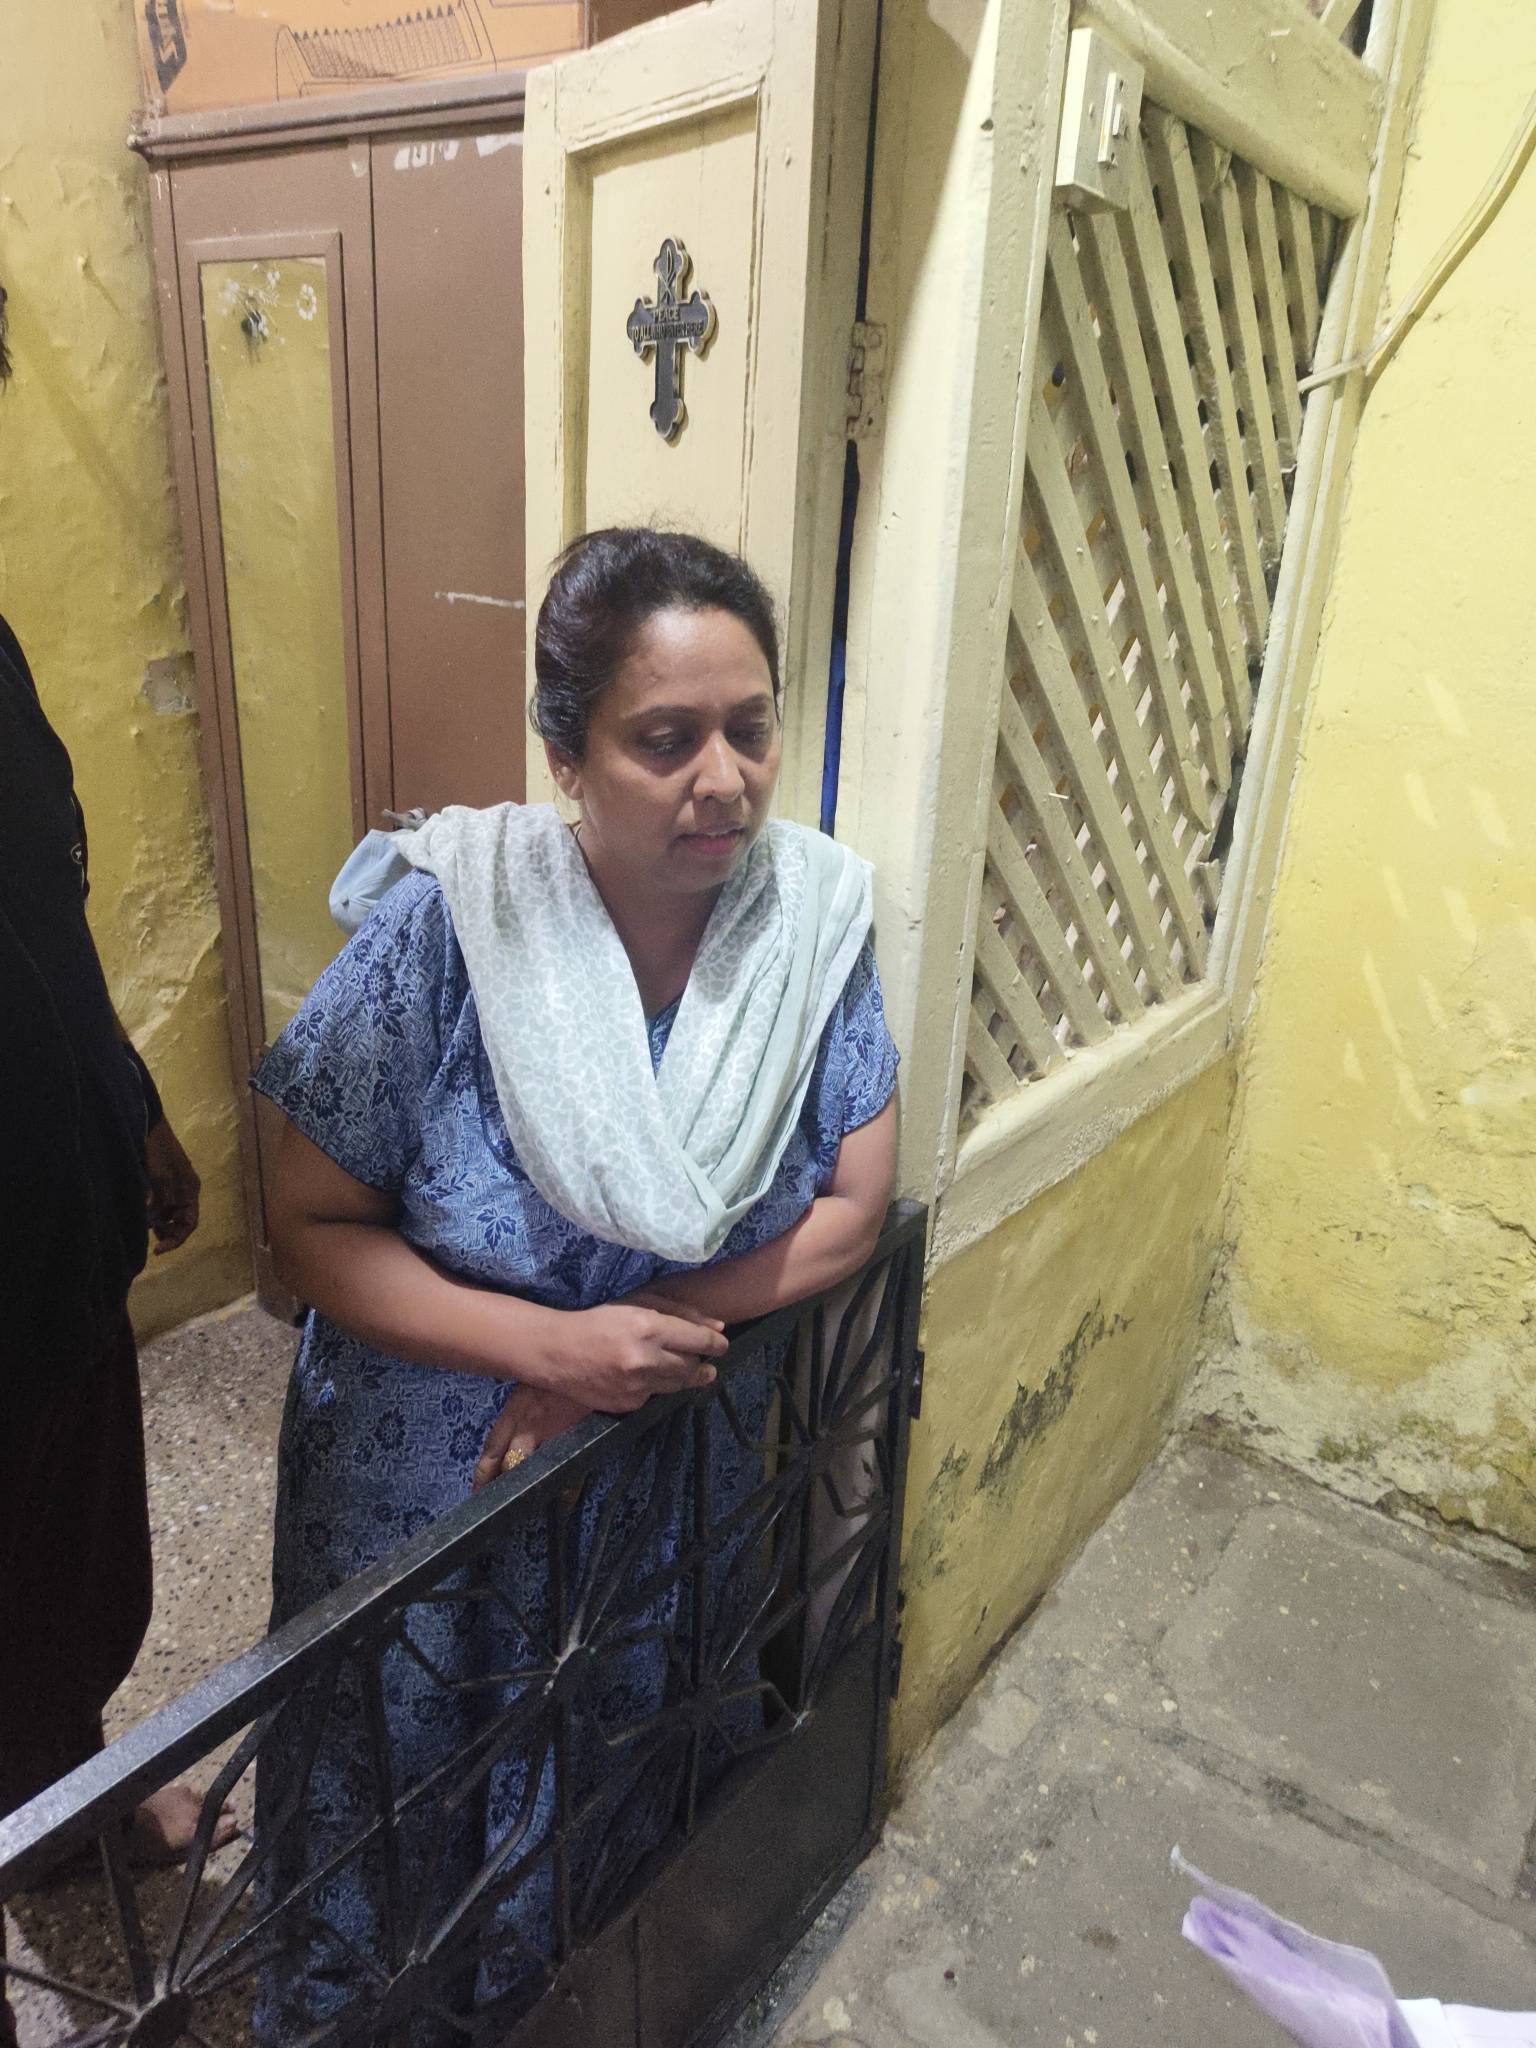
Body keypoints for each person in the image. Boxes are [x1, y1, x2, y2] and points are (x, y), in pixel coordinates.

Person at [249, 526, 900, 2038]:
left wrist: (636, 1341)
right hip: (440, 1475)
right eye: (664, 740)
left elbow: (856, 1207)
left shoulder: (803, 928)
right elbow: (310, 1223)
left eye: (750, 729)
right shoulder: (454, 928)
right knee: (407, 1786)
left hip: (656, 1456)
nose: (724, 781)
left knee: (611, 1764)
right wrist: (547, 1351)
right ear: (566, 756)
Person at [0, 607, 234, 2042]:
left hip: (50, 1241)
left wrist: (131, 1102)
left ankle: (62, 1805)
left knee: (66, 1573)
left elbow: (44, 912)